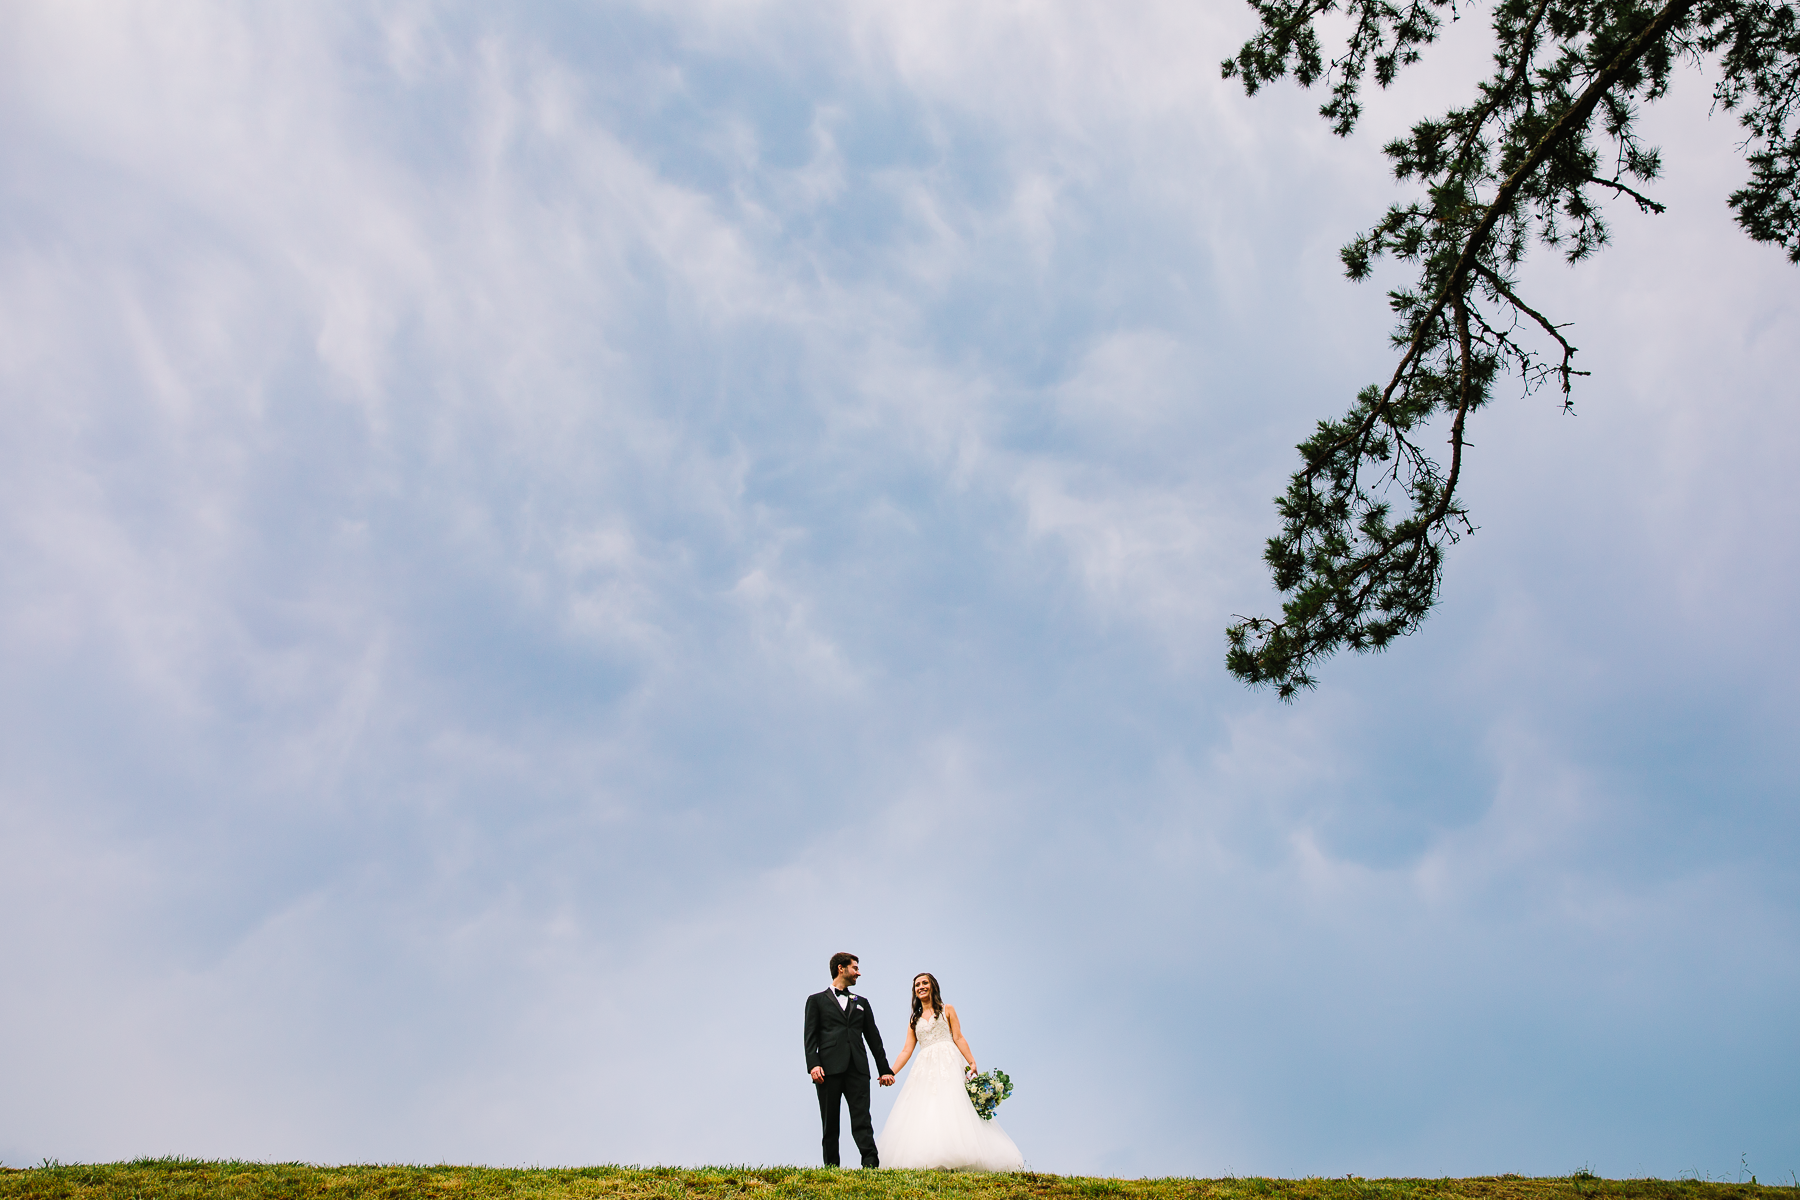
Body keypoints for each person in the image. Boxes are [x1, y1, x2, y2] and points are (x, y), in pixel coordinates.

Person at [877, 972, 1025, 1171]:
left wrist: (971, 1061)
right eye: (917, 985)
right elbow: (906, 1050)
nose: (920, 987)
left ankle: (962, 1154)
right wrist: (890, 1072)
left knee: (953, 1104)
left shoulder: (947, 1010)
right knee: (926, 1107)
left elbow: (959, 1037)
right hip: (925, 1066)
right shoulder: (914, 1020)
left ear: (932, 986)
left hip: (948, 1061)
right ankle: (931, 1155)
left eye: (924, 983)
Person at [803, 952, 895, 1168]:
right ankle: (831, 1167)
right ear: (841, 969)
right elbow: (810, 1038)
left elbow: (874, 1038)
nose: (858, 973)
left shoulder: (862, 1002)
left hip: (858, 1068)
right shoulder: (815, 1001)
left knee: (862, 1120)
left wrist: (885, 1069)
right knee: (830, 1122)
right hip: (827, 1069)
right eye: (855, 968)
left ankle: (871, 1164)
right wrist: (813, 1064)